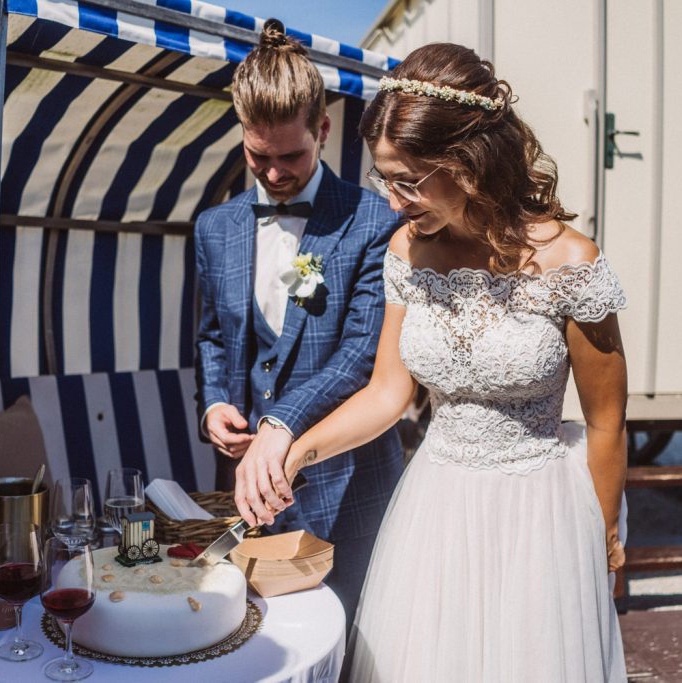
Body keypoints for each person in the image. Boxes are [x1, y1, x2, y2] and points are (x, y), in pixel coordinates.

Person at [235, 42, 629, 682]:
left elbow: (607, 420)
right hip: (437, 508)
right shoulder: (406, 252)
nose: (393, 201)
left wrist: (604, 536)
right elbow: (387, 393)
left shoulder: (571, 263)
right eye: (383, 179)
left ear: (469, 162)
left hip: (541, 514)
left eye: (409, 181)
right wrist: (295, 452)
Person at [193, 20, 405, 632]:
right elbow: (213, 337)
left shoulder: (374, 221)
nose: (275, 173)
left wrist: (280, 424)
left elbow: (362, 353)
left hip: (348, 492)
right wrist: (215, 405)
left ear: (323, 130)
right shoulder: (214, 228)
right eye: (258, 156)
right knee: (254, 642)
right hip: (248, 497)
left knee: (353, 643)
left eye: (291, 156)